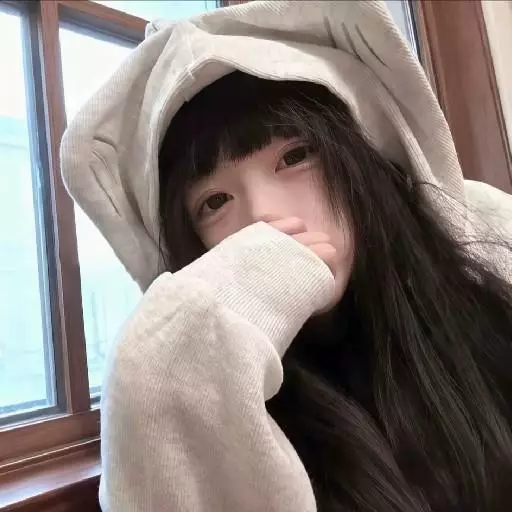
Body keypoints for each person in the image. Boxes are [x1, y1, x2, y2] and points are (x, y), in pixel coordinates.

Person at [60, 2, 512, 511]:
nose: (262, 216)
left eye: (295, 156)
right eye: (214, 202)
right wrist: (177, 354)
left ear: (363, 161)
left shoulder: (487, 292)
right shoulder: (233, 402)